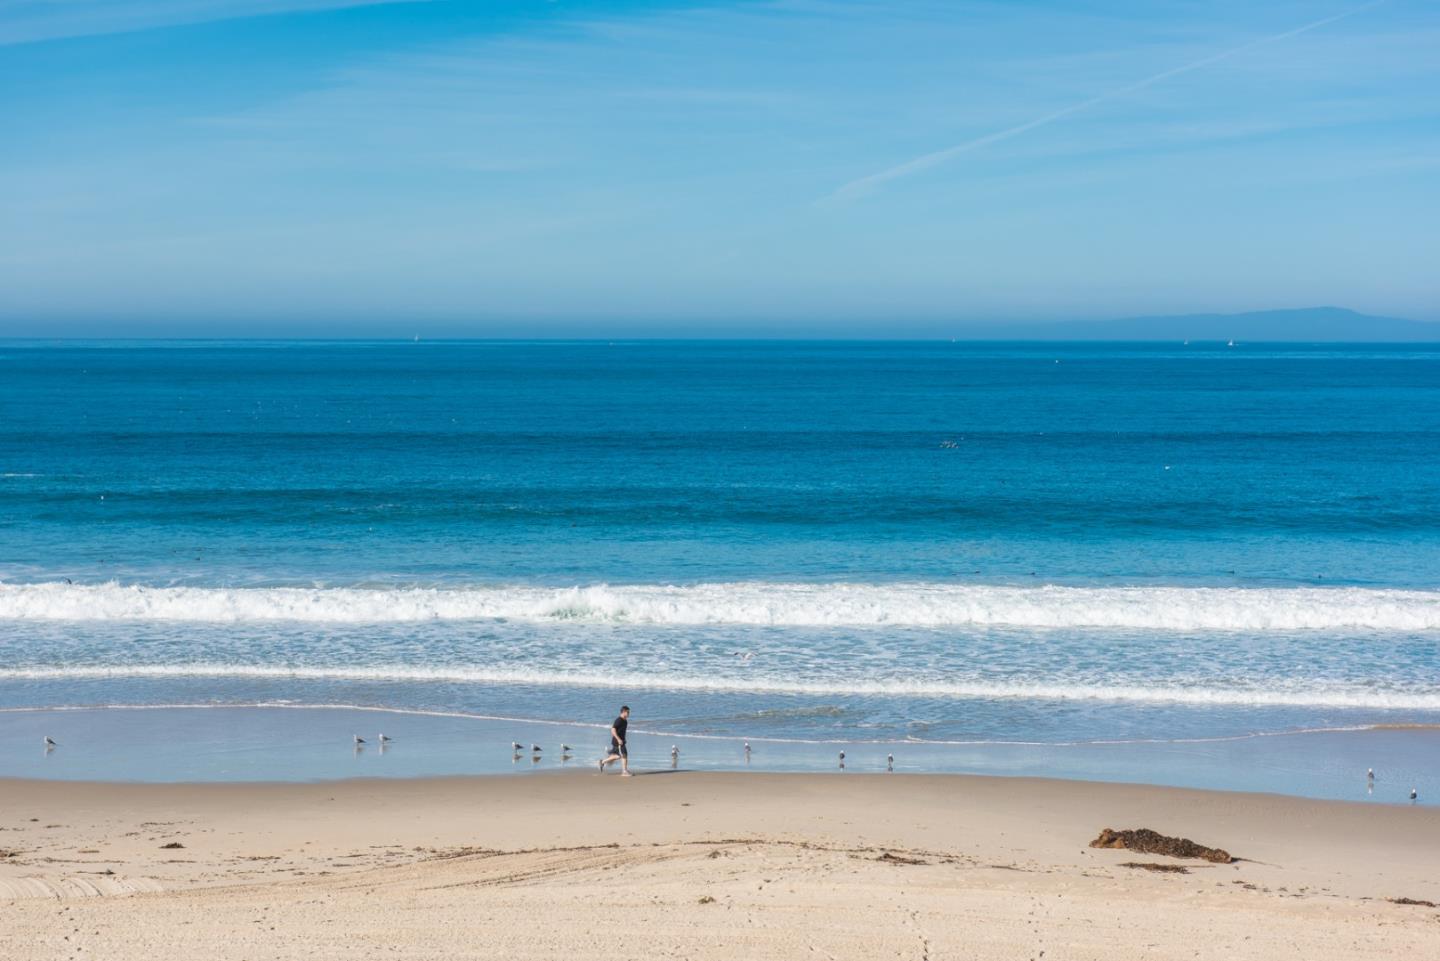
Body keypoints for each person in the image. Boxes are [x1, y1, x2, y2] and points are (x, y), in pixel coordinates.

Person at [599, 705, 632, 776]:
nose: (629, 713)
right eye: (628, 712)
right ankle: (624, 772)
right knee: (624, 755)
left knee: (618, 756)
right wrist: (619, 739)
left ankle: (602, 762)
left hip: (620, 741)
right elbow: (613, 730)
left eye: (629, 712)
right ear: (623, 712)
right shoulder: (619, 720)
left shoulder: (625, 721)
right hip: (618, 742)